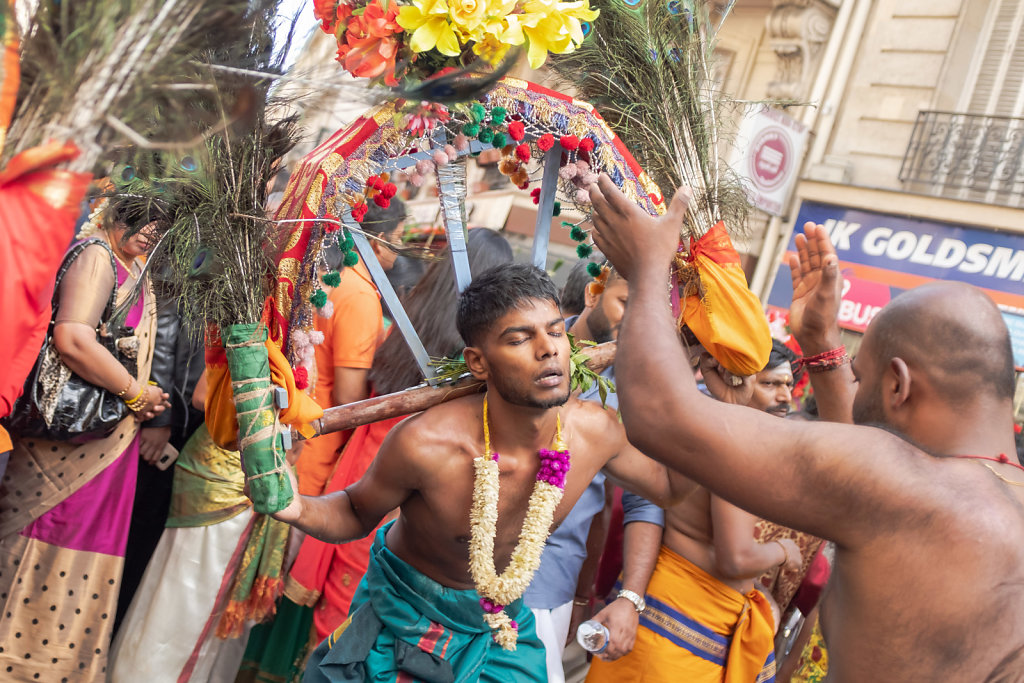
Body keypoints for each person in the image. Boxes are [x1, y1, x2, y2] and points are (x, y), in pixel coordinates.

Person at [587, 174, 1024, 680]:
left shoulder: (909, 486)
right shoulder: (990, 494)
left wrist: (647, 271)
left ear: (899, 386)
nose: (851, 394)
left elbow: (660, 415)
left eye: (861, 379)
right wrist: (821, 343)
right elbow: (862, 449)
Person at [272, 264, 692, 682]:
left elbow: (672, 488)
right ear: (478, 362)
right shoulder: (428, 444)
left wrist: (708, 390)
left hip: (501, 626)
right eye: (519, 339)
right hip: (405, 617)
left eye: (555, 332)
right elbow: (353, 511)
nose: (548, 349)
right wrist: (294, 507)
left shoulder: (596, 433)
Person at [237, 228, 514, 683]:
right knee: (365, 598)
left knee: (341, 584)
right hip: (413, 471)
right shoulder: (475, 350)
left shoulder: (406, 319)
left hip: (367, 458)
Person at [0, 200, 169, 682]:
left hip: (107, 445)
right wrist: (136, 393)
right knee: (45, 546)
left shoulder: (136, 266)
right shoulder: (96, 255)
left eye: (164, 222)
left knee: (83, 565)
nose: (153, 229)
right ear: (121, 209)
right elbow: (72, 337)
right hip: (67, 446)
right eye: (145, 216)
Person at [526, 266, 665, 683]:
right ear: (593, 294)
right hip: (457, 569)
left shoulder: (638, 390)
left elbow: (646, 499)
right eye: (626, 303)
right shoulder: (522, 343)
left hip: (549, 587)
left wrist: (625, 598)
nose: (635, 322)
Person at [295, 199, 406, 496]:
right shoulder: (360, 296)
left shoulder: (342, 280)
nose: (401, 247)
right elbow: (348, 397)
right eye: (399, 237)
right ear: (380, 243)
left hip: (304, 436)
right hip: (317, 448)